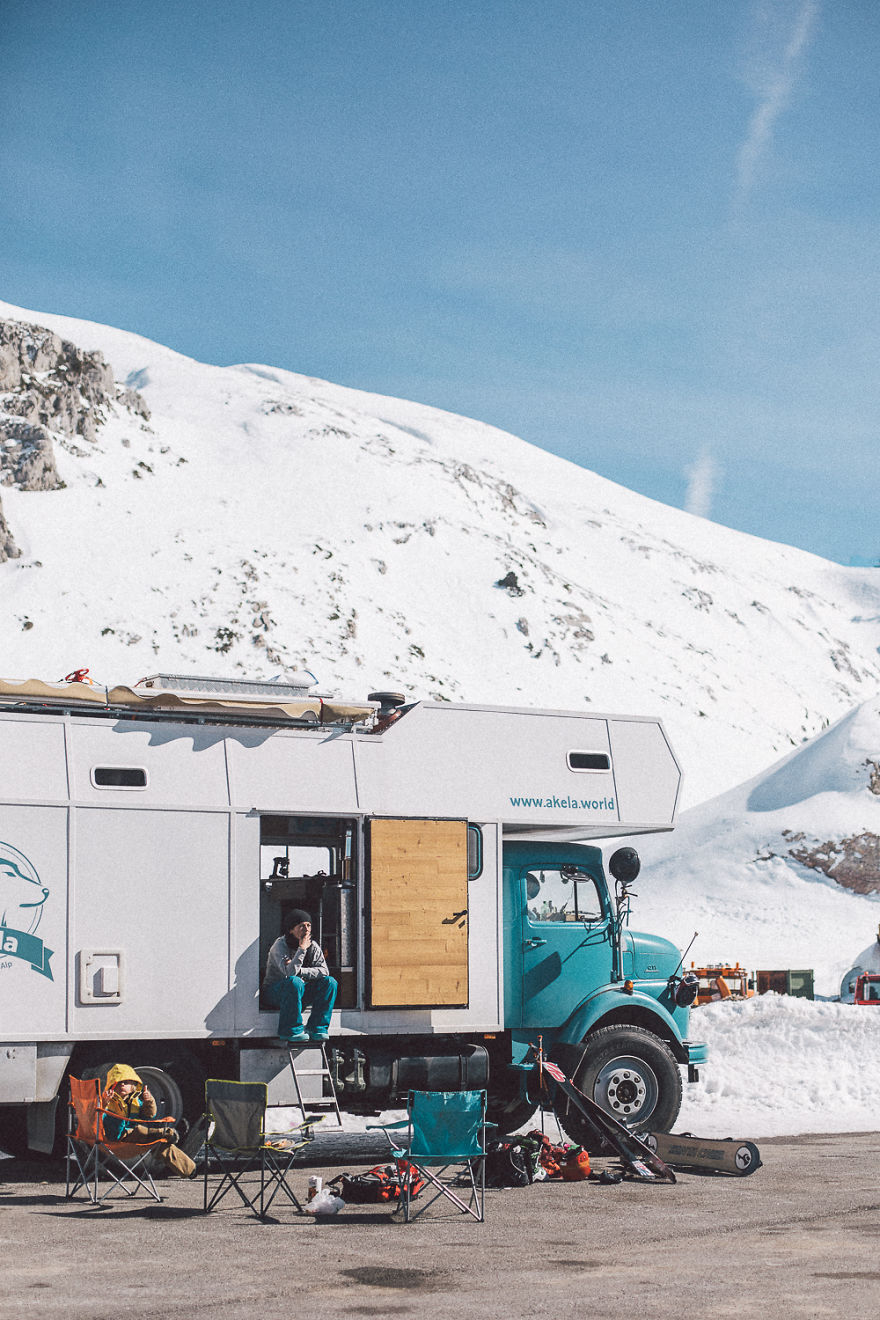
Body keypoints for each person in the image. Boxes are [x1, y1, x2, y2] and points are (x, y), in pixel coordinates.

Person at [100, 1063, 196, 1178]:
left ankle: (190, 1170)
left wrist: (148, 1101)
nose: (122, 1084)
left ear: (134, 1085)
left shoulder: (135, 1101)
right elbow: (97, 1117)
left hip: (132, 1138)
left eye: (126, 1082)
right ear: (111, 1086)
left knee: (160, 1145)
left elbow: (149, 1115)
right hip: (114, 1138)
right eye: (118, 1082)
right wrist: (104, 1103)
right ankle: (166, 1132)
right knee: (140, 1130)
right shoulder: (108, 1101)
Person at [262, 908, 337, 1043]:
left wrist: (301, 971)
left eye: (309, 925)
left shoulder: (312, 946)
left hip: (298, 991)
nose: (306, 929)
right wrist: (301, 949)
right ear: (291, 929)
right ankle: (290, 1030)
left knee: (330, 982)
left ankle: (317, 1028)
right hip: (275, 993)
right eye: (302, 926)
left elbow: (324, 971)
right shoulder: (279, 946)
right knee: (294, 982)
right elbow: (290, 973)